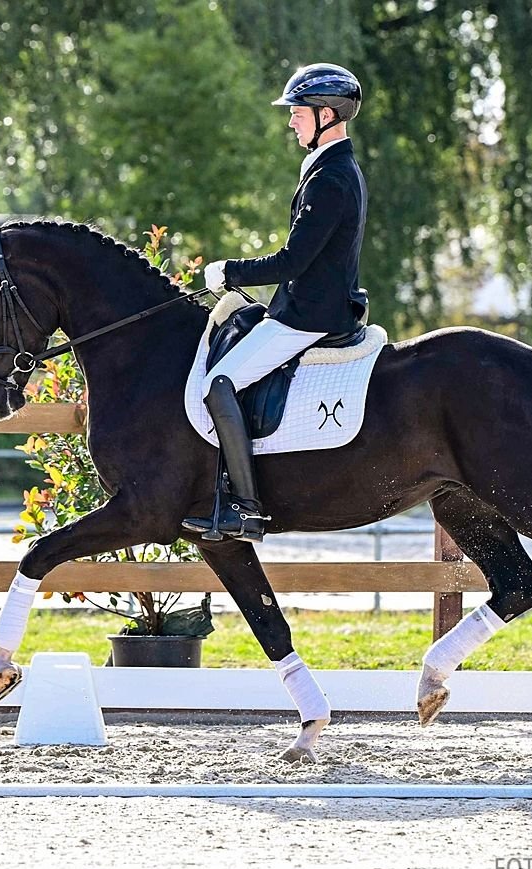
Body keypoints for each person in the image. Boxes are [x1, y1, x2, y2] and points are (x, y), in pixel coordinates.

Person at [182, 62, 369, 543]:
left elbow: (293, 260)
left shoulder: (331, 178)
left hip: (308, 316)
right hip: (305, 307)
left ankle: (246, 509)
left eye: (298, 113)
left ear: (326, 113)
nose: (291, 122)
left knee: (219, 383)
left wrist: (230, 271)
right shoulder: (329, 167)